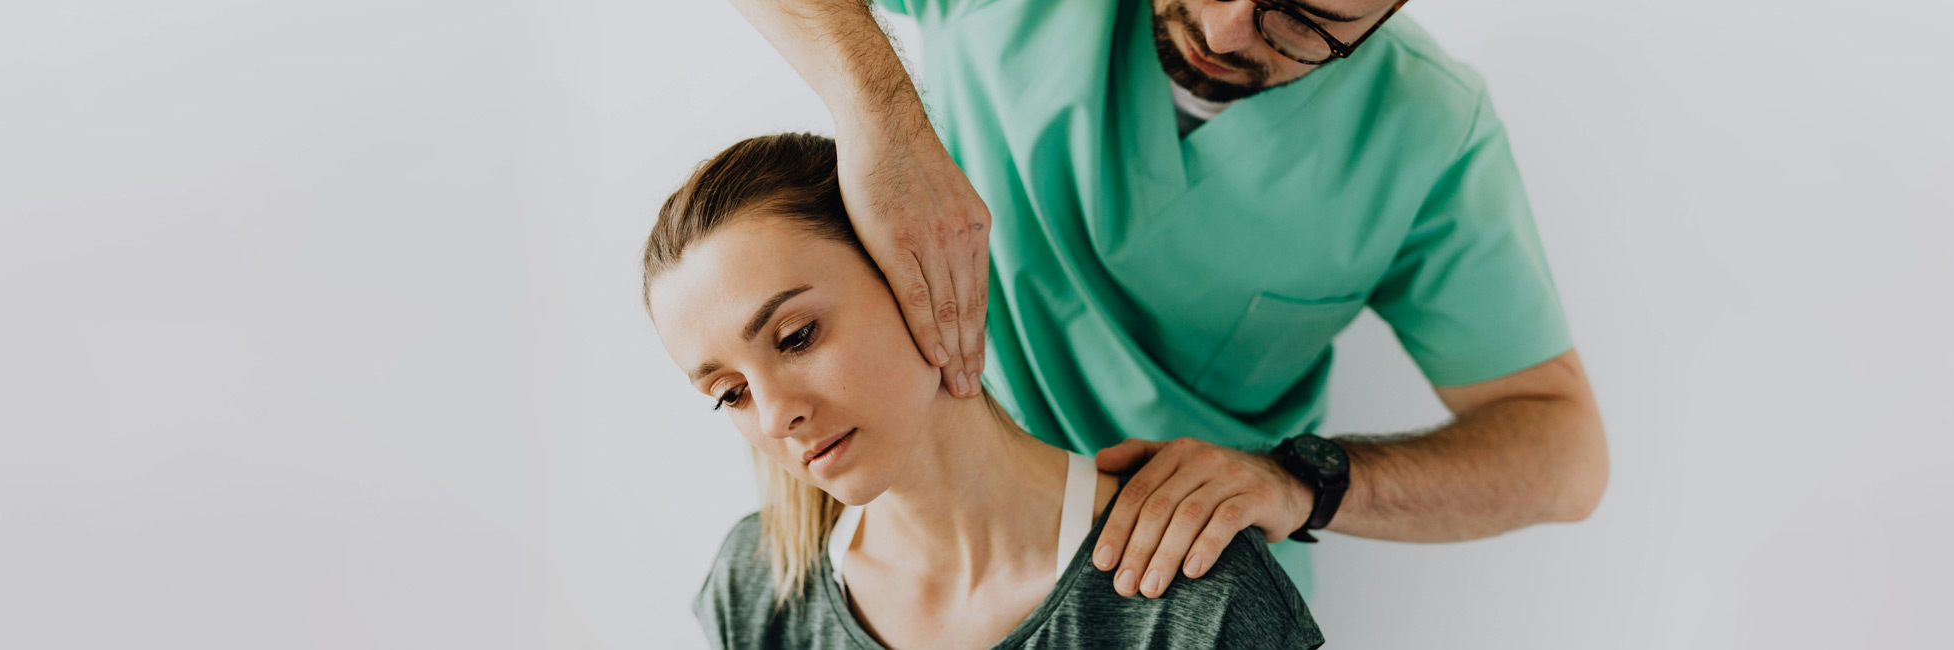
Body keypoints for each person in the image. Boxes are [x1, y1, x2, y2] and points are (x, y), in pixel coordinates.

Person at [724, 0, 1610, 601]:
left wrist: (1299, 482)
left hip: (1167, 589)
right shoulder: (777, 587)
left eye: (1303, 17)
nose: (1226, 29)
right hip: (914, 543)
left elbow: (1564, 456)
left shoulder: (1428, 131)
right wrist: (882, 118)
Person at [648, 133, 1324, 649]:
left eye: (797, 336)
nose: (776, 415)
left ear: (926, 276)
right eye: (729, 392)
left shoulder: (1191, 590)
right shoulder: (759, 583)